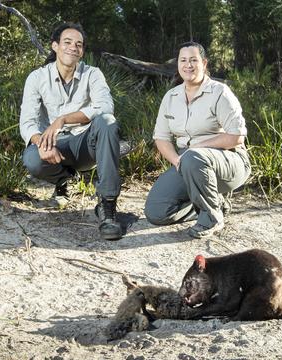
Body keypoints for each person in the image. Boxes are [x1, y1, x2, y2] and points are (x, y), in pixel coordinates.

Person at [19, 22, 123, 241]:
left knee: (107, 121)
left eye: (79, 44)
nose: (73, 47)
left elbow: (105, 107)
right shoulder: (37, 78)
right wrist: (41, 143)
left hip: (87, 142)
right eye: (67, 42)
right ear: (55, 46)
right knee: (32, 159)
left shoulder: (93, 74)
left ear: (82, 51)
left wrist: (63, 119)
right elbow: (27, 123)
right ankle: (65, 179)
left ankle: (107, 206)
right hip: (56, 145)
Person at [144, 42, 250, 238]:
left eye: (194, 60)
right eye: (183, 60)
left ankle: (211, 218)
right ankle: (213, 202)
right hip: (187, 163)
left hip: (229, 162)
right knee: (156, 212)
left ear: (204, 62)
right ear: (178, 64)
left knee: (193, 157)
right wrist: (177, 161)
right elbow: (161, 138)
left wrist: (198, 147)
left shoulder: (220, 92)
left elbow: (237, 136)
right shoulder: (171, 96)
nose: (188, 65)